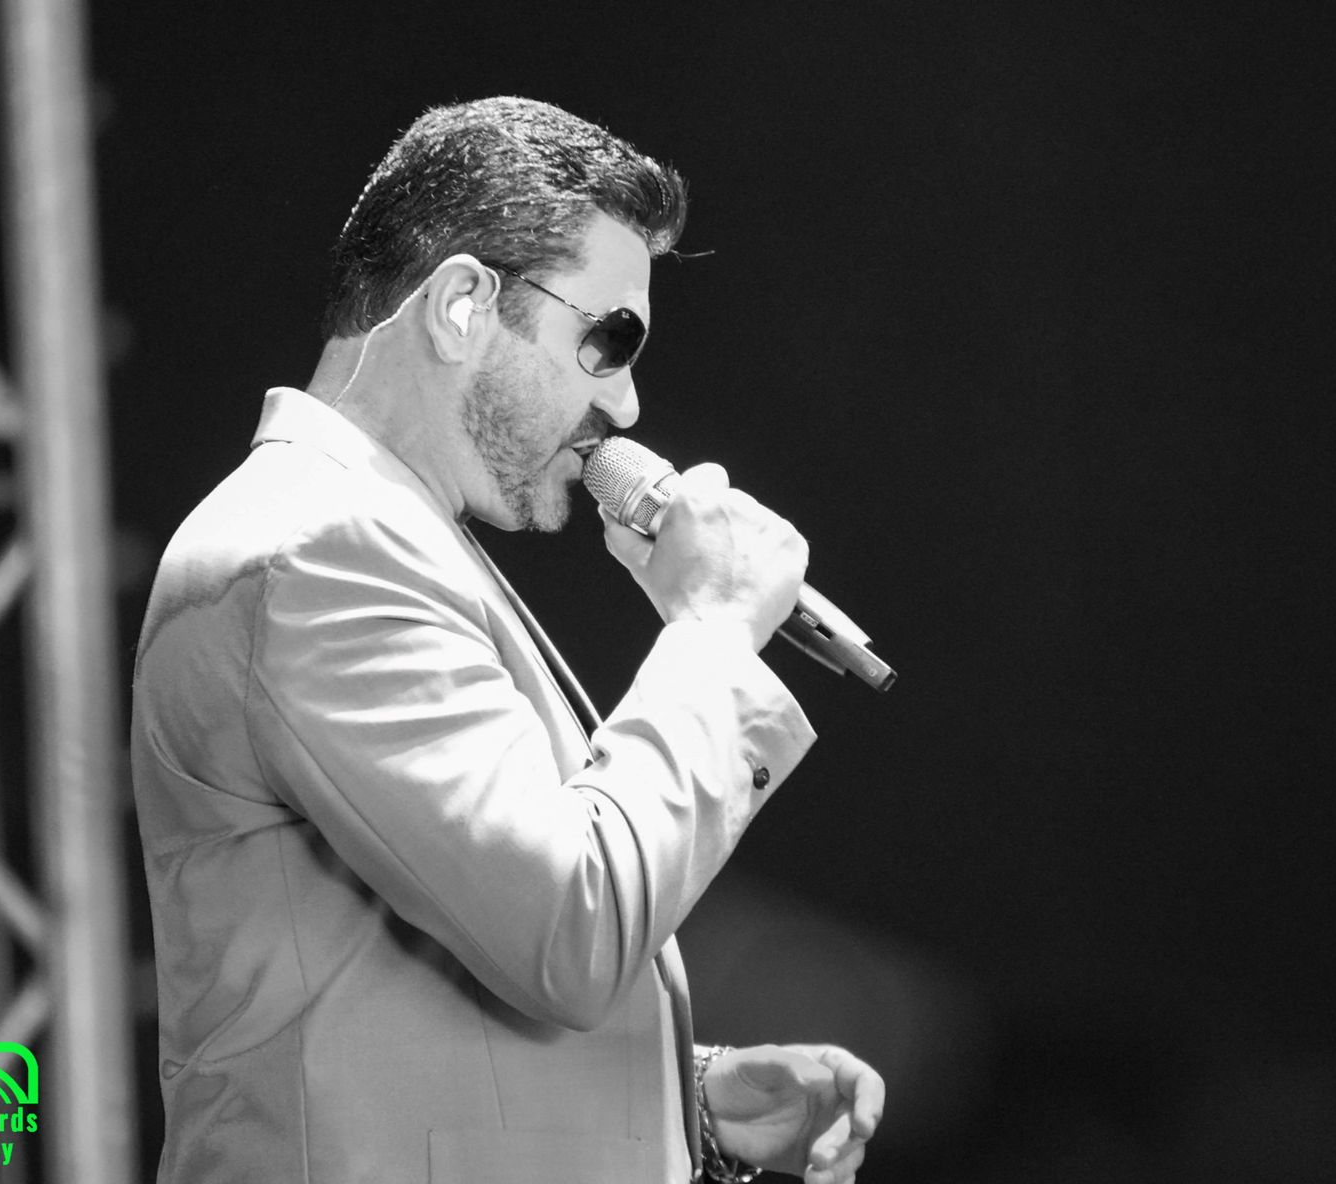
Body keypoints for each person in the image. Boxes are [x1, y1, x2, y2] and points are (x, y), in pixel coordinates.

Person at [131, 96, 884, 1184]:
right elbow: (570, 926)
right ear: (461, 305)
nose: (626, 403)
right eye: (608, 339)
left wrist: (675, 1096)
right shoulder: (318, 553)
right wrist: (716, 629)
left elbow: (428, 952)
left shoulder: (384, 542)